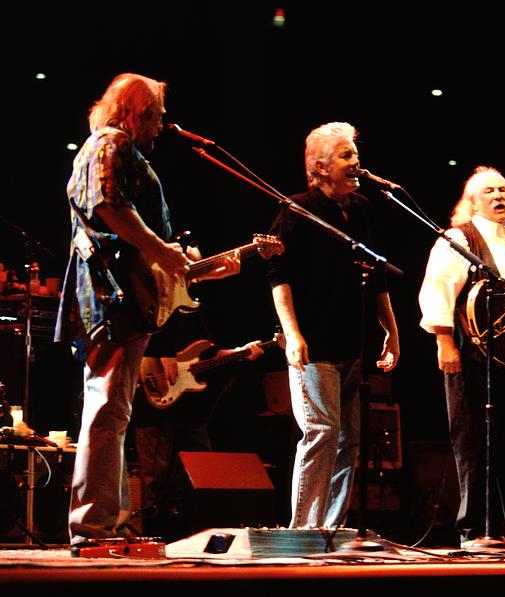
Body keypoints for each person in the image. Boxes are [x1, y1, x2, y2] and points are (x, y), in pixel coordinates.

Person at [54, 73, 239, 546]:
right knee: (107, 409)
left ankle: (106, 524)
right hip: (112, 297)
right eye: (156, 115)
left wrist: (199, 270)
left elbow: (141, 247)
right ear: (136, 113)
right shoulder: (109, 143)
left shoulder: (118, 149)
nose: (162, 124)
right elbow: (110, 205)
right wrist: (162, 249)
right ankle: (93, 528)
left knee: (114, 411)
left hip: (123, 294)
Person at [266, 122, 400, 530]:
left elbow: (376, 277)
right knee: (321, 434)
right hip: (314, 346)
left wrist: (391, 331)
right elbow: (278, 277)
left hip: (351, 344)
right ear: (320, 167)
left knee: (350, 443)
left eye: (355, 154)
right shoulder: (296, 210)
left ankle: (331, 529)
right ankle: (303, 530)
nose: (356, 162)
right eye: (345, 156)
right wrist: (292, 334)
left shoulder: (360, 209)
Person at [419, 166, 505, 548]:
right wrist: (444, 342)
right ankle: (473, 529)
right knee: (472, 442)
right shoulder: (458, 238)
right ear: (472, 202)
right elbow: (438, 291)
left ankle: (501, 526)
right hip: (469, 354)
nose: (499, 195)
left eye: (504, 189)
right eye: (489, 191)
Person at [131, 311, 264, 540]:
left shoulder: (196, 310)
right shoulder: (160, 303)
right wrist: (159, 351)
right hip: (156, 407)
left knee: (202, 478)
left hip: (193, 412)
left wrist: (239, 353)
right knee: (155, 480)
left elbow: (210, 353)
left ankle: (196, 536)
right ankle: (154, 539)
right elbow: (136, 332)